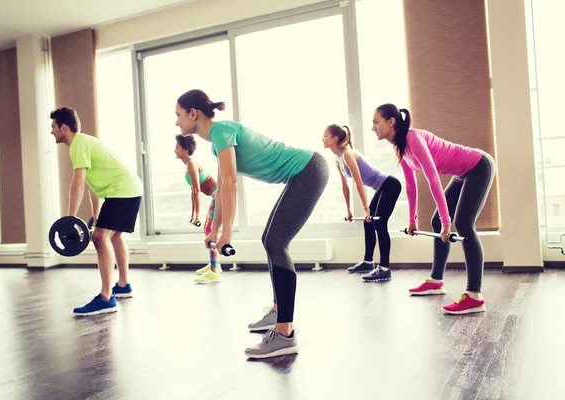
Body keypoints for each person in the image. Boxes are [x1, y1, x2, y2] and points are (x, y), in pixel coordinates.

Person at [175, 89, 329, 359]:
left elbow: (232, 182)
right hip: (304, 172)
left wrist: (227, 233)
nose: (177, 122)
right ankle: (279, 313)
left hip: (309, 169)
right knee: (271, 241)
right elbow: (222, 185)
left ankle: (284, 334)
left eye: (178, 115)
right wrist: (214, 230)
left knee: (276, 242)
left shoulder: (221, 132)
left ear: (193, 113)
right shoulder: (217, 140)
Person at [373, 103, 496, 314]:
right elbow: (411, 185)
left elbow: (433, 179)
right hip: (462, 173)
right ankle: (436, 280)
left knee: (463, 224)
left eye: (376, 122)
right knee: (436, 221)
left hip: (478, 165)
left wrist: (448, 223)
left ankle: (475, 295)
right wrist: (412, 219)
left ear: (391, 121)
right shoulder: (400, 147)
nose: (373, 127)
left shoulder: (413, 138)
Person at [50, 107, 143, 316]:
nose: (52, 131)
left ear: (64, 127)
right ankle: (123, 285)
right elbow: (94, 185)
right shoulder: (85, 143)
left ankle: (106, 298)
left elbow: (78, 185)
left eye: (53, 127)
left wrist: (70, 219)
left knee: (100, 237)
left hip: (122, 190)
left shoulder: (78, 144)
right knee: (115, 236)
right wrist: (96, 212)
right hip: (129, 188)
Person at [322, 124, 402, 282]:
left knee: (379, 224)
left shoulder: (347, 154)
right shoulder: (338, 160)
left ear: (334, 138)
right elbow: (345, 186)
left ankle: (385, 269)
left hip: (390, 185)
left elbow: (358, 183)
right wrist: (348, 210)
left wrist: (366, 209)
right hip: (382, 188)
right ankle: (368, 262)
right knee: (369, 224)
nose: (322, 139)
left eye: (325, 136)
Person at [174, 134, 222, 284]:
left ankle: (214, 272)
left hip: (219, 196)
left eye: (177, 147)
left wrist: (196, 215)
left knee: (209, 231)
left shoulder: (191, 162)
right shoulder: (189, 163)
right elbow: (194, 191)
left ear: (186, 150)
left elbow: (196, 190)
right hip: (216, 196)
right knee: (208, 231)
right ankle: (215, 266)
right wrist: (194, 214)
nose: (174, 150)